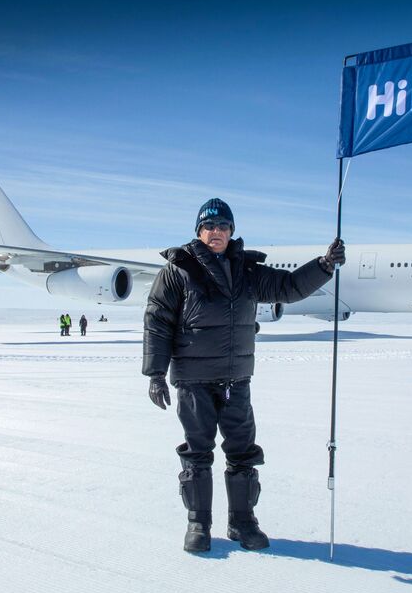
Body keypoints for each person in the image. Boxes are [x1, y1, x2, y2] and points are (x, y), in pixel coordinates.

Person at [143, 197, 345, 553]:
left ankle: (242, 522)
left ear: (231, 231)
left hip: (237, 380)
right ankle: (198, 524)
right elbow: (157, 321)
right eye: (209, 226)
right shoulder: (178, 270)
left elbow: (289, 287)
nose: (216, 232)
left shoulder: (247, 271)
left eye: (223, 226)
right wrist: (156, 373)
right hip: (193, 380)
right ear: (199, 231)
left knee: (242, 452)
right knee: (197, 452)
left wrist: (324, 265)